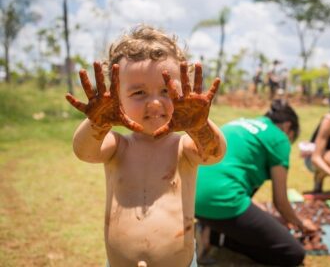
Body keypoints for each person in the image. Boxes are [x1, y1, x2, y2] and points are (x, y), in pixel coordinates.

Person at [65, 25, 226, 267]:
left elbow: (214, 154)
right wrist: (96, 124)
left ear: (184, 92)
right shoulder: (118, 146)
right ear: (117, 98)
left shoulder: (183, 147)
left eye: (166, 90)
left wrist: (199, 126)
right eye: (139, 92)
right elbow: (84, 151)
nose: (154, 103)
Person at [195, 99, 317, 267]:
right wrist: (301, 224)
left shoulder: (242, 122)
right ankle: (219, 238)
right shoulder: (279, 137)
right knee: (293, 254)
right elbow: (280, 202)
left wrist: (271, 219)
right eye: (291, 139)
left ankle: (211, 229)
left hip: (190, 197)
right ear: (288, 127)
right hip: (222, 201)